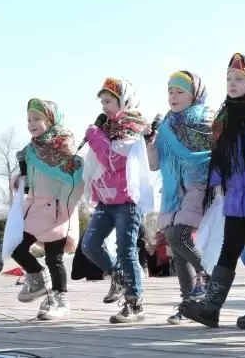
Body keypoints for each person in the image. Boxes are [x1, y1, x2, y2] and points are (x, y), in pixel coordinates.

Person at [180, 53, 245, 329]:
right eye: (228, 79)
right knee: (229, 247)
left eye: (239, 79)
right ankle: (211, 307)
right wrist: (217, 183)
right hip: (234, 193)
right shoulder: (227, 114)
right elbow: (220, 155)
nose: (232, 83)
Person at [81, 77, 153, 323]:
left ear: (124, 101)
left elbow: (114, 160)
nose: (104, 107)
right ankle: (118, 276)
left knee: (126, 249)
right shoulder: (105, 129)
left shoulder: (132, 126)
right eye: (102, 102)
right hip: (106, 200)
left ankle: (135, 304)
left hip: (127, 200)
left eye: (109, 101)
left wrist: (94, 136)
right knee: (90, 244)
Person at [146, 70, 213, 324]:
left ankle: (209, 274)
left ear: (194, 94)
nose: (173, 97)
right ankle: (188, 303)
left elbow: (214, 153)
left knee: (177, 235)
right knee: (175, 245)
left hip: (199, 184)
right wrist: (150, 142)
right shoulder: (165, 126)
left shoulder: (207, 119)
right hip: (173, 190)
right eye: (170, 92)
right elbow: (154, 165)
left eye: (179, 92)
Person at [10, 99, 83, 320]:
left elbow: (76, 176)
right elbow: (29, 177)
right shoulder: (30, 150)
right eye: (29, 119)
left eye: (37, 118)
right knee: (16, 245)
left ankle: (60, 299)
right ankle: (38, 276)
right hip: (35, 208)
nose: (31, 123)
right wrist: (19, 180)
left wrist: (65, 207)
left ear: (50, 120)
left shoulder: (63, 146)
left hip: (58, 209)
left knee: (54, 258)